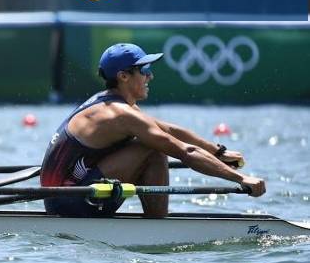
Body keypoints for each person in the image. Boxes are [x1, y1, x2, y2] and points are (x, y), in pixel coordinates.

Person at [40, 42, 265, 218]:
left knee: (155, 143)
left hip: (69, 195)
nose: (150, 76)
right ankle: (157, 226)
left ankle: (156, 223)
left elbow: (168, 129)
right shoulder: (118, 114)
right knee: (154, 148)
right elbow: (185, 152)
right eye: (144, 70)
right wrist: (240, 178)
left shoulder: (116, 105)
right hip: (70, 202)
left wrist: (217, 151)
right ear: (123, 76)